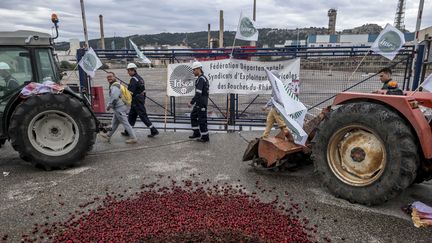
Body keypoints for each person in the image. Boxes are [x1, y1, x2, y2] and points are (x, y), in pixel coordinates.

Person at [121, 63, 159, 138]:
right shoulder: (140, 78)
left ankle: (154, 130)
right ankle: (128, 131)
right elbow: (143, 91)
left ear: (133, 70)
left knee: (143, 116)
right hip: (139, 100)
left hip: (136, 100)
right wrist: (143, 100)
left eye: (128, 71)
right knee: (132, 116)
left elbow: (130, 92)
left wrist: (124, 95)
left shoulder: (133, 79)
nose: (128, 72)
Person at [99, 72, 137, 144]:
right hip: (120, 107)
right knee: (114, 123)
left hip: (119, 108)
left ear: (115, 77)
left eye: (110, 76)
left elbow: (114, 97)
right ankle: (108, 135)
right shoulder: (116, 84)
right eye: (107, 77)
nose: (109, 78)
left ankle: (133, 138)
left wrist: (109, 106)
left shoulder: (115, 86)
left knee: (125, 123)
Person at [261, 70, 294, 142]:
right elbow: (273, 97)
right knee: (269, 121)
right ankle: (264, 136)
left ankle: (290, 137)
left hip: (277, 108)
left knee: (281, 124)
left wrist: (266, 106)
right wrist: (267, 105)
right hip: (274, 107)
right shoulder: (275, 84)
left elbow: (275, 98)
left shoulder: (277, 85)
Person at [188, 61, 210, 142]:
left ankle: (205, 137)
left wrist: (191, 102)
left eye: (194, 70)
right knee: (193, 116)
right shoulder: (200, 78)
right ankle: (196, 133)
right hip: (199, 102)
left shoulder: (201, 79)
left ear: (198, 69)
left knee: (202, 120)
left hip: (201, 103)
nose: (193, 72)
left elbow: (198, 93)